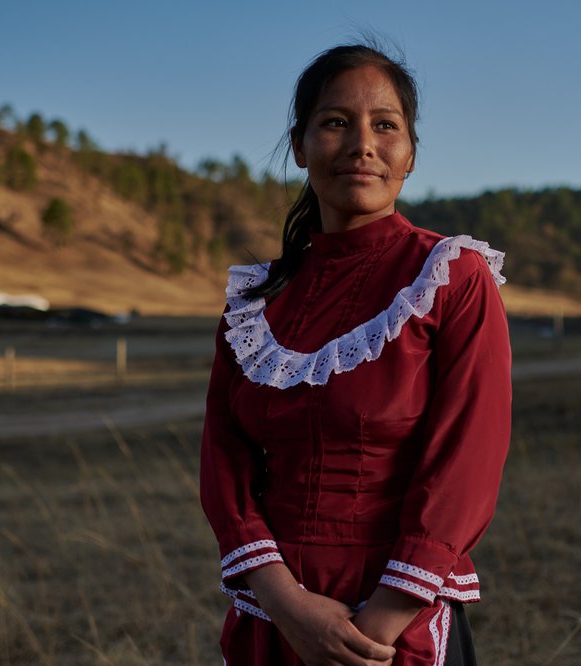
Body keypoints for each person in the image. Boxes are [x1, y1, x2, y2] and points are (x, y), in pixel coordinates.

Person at [200, 42, 512, 665]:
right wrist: (290, 607)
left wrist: (376, 626)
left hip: (396, 624)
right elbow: (224, 457)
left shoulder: (451, 276)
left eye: (385, 125)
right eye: (336, 121)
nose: (362, 143)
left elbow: (467, 461)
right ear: (300, 146)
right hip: (278, 613)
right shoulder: (257, 303)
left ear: (410, 154)